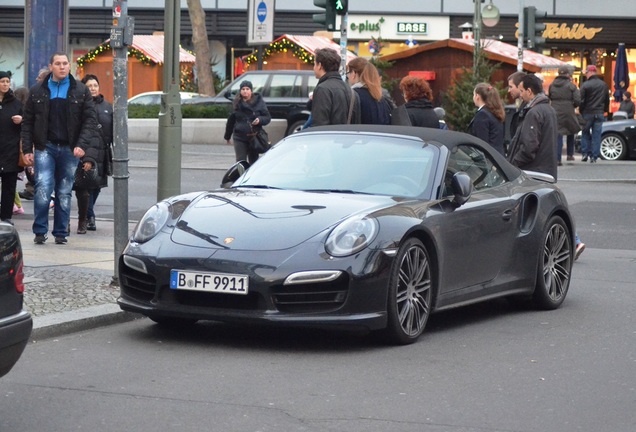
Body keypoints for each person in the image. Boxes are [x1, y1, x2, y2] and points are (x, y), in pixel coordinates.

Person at [20, 52, 99, 245]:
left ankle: (61, 232)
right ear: (51, 66)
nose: (62, 66)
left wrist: (81, 145)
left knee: (64, 192)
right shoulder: (38, 90)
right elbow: (28, 122)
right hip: (44, 147)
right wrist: (27, 148)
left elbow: (90, 120)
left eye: (65, 63)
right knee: (43, 189)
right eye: (58, 63)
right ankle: (40, 231)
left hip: (69, 149)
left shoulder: (80, 90)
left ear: (69, 66)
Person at [508, 74, 586, 259]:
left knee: (537, 209)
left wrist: (512, 165)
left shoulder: (534, 112)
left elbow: (529, 147)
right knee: (550, 206)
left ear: (529, 91)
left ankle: (570, 241)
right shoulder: (548, 109)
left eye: (520, 89)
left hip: (533, 170)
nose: (519, 92)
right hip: (546, 167)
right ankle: (572, 241)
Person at [77, 74, 112, 233]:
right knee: (86, 185)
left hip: (103, 151)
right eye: (89, 86)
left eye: (95, 85)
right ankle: (89, 216)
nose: (93, 88)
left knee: (97, 185)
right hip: (86, 150)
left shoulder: (107, 106)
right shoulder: (81, 106)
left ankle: (88, 214)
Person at [18, 68, 50, 201]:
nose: (37, 79)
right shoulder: (34, 94)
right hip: (37, 142)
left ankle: (46, 196)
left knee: (43, 174)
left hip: (47, 143)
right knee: (36, 171)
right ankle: (35, 191)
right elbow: (28, 122)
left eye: (39, 77)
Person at [224, 80, 271, 165]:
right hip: (239, 137)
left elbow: (267, 117)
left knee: (254, 162)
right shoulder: (236, 103)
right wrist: (227, 136)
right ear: (240, 91)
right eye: (243, 89)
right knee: (240, 162)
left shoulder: (259, 102)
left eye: (247, 89)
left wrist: (260, 120)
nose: (245, 91)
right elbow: (231, 121)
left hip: (254, 137)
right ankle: (241, 177)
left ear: (251, 91)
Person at [311, 48, 360, 126]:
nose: (313, 68)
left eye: (314, 64)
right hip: (348, 137)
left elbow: (319, 125)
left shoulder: (322, 89)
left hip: (329, 137)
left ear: (319, 65)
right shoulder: (352, 92)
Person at [0, 71, 23, 225]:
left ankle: (6, 217)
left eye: (7, 81)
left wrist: (22, 119)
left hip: (10, 150)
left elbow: (28, 124)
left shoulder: (16, 103)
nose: (5, 84)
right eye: (2, 81)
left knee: (9, 185)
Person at [548, 66, 581, 165]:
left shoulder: (552, 85)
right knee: (571, 130)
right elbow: (578, 99)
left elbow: (549, 96)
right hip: (568, 110)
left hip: (555, 110)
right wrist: (573, 105)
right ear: (567, 74)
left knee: (558, 133)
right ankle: (570, 154)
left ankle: (557, 159)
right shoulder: (571, 85)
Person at [579, 65, 609, 163]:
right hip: (599, 112)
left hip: (587, 112)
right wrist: (605, 110)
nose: (586, 75)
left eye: (587, 73)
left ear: (590, 72)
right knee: (597, 135)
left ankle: (585, 153)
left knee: (585, 133)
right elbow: (606, 99)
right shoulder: (603, 85)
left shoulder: (585, 85)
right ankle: (594, 156)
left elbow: (581, 100)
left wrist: (581, 110)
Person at [346, 57, 390, 125]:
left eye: (348, 72)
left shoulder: (353, 94)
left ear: (354, 73)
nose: (347, 76)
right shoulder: (379, 96)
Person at [468, 82, 505, 155]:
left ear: (477, 96)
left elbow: (481, 142)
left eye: (473, 94)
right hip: (498, 156)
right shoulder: (496, 112)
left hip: (489, 158)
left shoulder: (482, 115)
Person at [507, 71, 527, 140]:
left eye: (510, 87)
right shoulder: (525, 106)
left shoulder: (529, 108)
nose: (509, 91)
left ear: (520, 86)